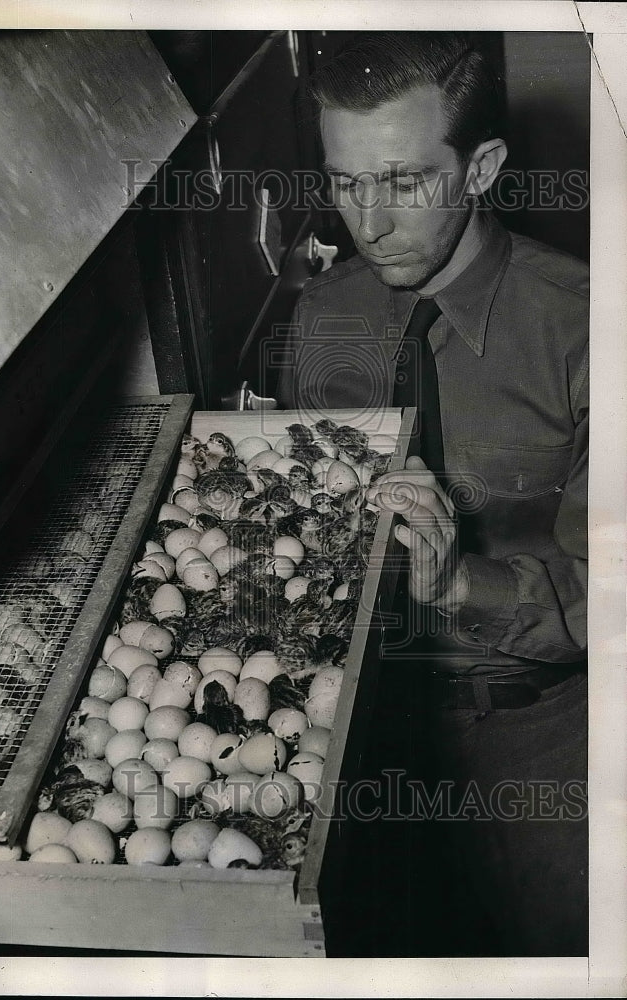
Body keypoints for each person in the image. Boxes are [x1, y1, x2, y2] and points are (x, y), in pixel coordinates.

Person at [276, 32, 588, 956]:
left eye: (403, 181)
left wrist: (457, 582)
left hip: (538, 740)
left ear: (481, 165)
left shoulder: (586, 335)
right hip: (354, 733)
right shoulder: (323, 315)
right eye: (344, 181)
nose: (366, 223)